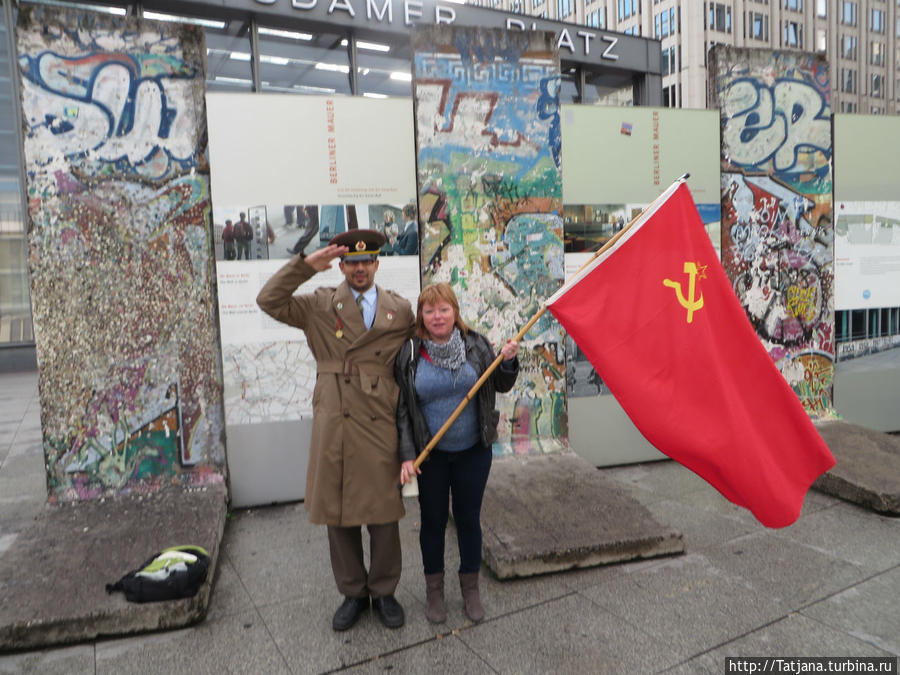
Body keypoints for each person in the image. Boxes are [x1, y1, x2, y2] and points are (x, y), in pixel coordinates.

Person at [256, 230, 415, 632]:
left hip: (379, 416)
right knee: (338, 511)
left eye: (367, 261)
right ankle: (352, 593)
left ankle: (384, 591)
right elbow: (268, 301)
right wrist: (302, 268)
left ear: (377, 264)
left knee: (383, 514)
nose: (360, 269)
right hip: (336, 414)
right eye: (352, 263)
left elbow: (424, 346)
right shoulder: (320, 305)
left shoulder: (400, 309)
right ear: (341, 266)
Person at [395, 282, 519, 624]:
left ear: (455, 312)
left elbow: (501, 384)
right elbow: (403, 408)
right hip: (430, 456)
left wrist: (508, 362)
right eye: (430, 310)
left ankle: (470, 590)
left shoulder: (476, 344)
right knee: (432, 522)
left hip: (472, 452)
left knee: (468, 520)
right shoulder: (409, 352)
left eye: (444, 309)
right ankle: (434, 591)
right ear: (422, 315)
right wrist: (407, 454)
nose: (437, 317)